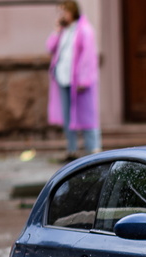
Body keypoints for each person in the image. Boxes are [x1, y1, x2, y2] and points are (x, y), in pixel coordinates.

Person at [46, 1, 101, 162]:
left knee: (87, 114)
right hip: (63, 78)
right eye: (60, 12)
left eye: (64, 12)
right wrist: (57, 31)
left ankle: (94, 150)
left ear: (73, 12)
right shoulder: (64, 31)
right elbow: (49, 47)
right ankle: (72, 150)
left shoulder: (85, 30)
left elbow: (88, 57)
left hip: (79, 81)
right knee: (67, 116)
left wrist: (84, 79)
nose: (62, 15)